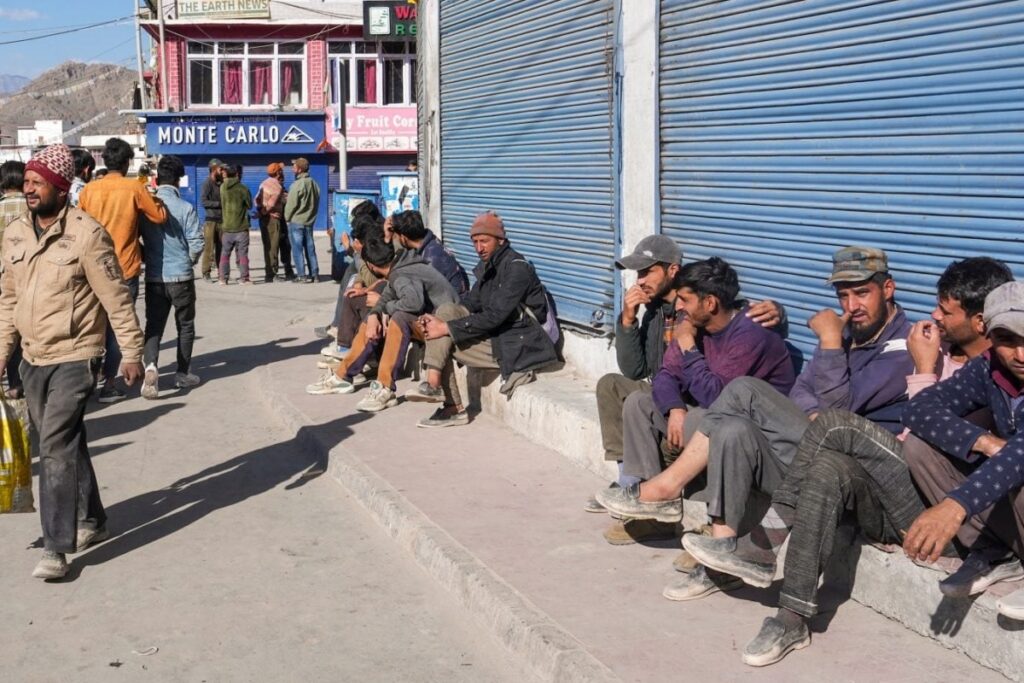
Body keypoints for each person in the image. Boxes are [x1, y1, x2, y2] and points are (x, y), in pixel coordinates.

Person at [680, 257, 1012, 667]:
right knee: (827, 467)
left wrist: (925, 369)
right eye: (843, 295)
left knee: (835, 424)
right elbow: (807, 393)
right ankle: (793, 615)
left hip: (933, 505)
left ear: (980, 322)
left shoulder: (964, 364)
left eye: (945, 311)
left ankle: (756, 546)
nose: (934, 316)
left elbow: (920, 434)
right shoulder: (945, 352)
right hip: (884, 486)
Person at [599, 246, 914, 599]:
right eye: (843, 296)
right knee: (731, 429)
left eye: (862, 294)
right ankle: (724, 559)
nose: (851, 306)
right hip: (806, 450)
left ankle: (666, 489)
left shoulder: (903, 349)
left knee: (742, 392)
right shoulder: (848, 335)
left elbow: (840, 415)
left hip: (850, 475)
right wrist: (811, 408)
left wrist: (827, 343)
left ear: (888, 290)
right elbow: (802, 390)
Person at [0, 143, 144, 579]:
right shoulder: (15, 234)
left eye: (37, 181)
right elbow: (8, 299)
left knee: (55, 445)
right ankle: (93, 519)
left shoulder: (87, 234)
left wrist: (132, 352)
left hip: (76, 354)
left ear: (61, 188)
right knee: (63, 438)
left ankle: (55, 548)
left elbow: (115, 296)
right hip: (31, 356)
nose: (28, 188)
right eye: (26, 180)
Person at [601, 257, 796, 544]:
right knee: (638, 404)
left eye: (685, 300)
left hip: (755, 434)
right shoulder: (692, 321)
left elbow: (719, 398)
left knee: (700, 419)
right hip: (712, 412)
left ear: (711, 303)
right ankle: (657, 512)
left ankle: (710, 524)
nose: (678, 307)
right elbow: (667, 373)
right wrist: (674, 407)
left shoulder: (751, 333)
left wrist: (689, 347)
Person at [902, 279, 1024, 623]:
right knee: (919, 446)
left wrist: (955, 506)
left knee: (1015, 466)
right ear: (988, 331)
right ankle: (996, 553)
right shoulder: (988, 368)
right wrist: (983, 442)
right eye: (1008, 340)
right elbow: (919, 411)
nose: (1021, 355)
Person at [407, 211, 557, 427]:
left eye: (484, 241)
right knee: (446, 311)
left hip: (522, 343)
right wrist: (435, 320)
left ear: (500, 240)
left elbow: (495, 316)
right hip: (500, 336)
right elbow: (469, 305)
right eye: (475, 242)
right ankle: (435, 385)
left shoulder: (517, 268)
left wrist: (446, 328)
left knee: (443, 334)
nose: (479, 248)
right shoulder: (490, 268)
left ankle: (450, 404)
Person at [306, 233, 459, 412]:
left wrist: (387, 309)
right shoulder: (401, 265)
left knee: (399, 318)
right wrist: (376, 314)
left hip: (444, 327)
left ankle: (384, 388)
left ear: (371, 265)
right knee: (377, 315)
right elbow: (387, 295)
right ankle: (342, 375)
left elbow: (413, 303)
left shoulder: (402, 274)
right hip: (430, 320)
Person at [78, 137, 167, 402]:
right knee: (119, 328)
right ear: (128, 162)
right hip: (124, 269)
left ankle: (86, 384)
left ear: (104, 161)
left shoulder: (88, 191)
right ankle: (109, 385)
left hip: (90, 270)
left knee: (92, 327)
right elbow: (159, 216)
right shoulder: (134, 189)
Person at [139, 155, 204, 399]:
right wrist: (189, 261)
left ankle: (151, 367)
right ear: (179, 180)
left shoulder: (146, 208)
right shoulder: (185, 208)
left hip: (155, 277)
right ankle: (182, 373)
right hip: (181, 278)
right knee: (185, 326)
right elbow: (197, 242)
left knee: (154, 327)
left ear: (157, 179)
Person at [389, 210, 469, 296]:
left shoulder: (430, 258)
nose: (395, 239)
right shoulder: (429, 242)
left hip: (452, 304)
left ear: (403, 238)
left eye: (396, 236)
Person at [0, 161, 25, 397]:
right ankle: (21, 382)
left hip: (2, 280)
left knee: (5, 331)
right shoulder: (33, 207)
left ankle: (12, 383)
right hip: (27, 278)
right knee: (24, 331)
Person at [284, 157, 320, 283]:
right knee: (310, 249)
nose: (292, 168)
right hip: (309, 221)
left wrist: (287, 218)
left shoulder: (297, 184)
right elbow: (315, 201)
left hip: (297, 221)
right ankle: (314, 274)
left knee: (297, 249)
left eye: (294, 166)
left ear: (299, 169)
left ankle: (301, 275)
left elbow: (291, 204)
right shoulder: (314, 183)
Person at [256, 162, 292, 282]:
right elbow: (271, 205)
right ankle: (272, 274)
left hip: (265, 219)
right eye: (281, 171)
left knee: (268, 246)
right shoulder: (277, 187)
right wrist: (264, 212)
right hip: (272, 219)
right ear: (278, 173)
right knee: (273, 246)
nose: (283, 172)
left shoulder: (264, 183)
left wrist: (260, 211)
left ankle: (270, 272)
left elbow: (257, 199)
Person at [218, 164, 252, 285]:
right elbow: (249, 205)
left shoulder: (222, 187)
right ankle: (244, 278)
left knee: (225, 254)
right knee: (243, 254)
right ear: (237, 174)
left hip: (227, 226)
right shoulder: (243, 188)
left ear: (226, 174)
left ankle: (223, 278)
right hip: (241, 227)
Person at [199, 159, 224, 282]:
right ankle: (206, 272)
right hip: (210, 222)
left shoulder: (221, 183)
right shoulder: (207, 183)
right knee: (209, 248)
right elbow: (204, 201)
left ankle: (221, 272)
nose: (222, 171)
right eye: (220, 169)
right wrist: (219, 204)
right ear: (214, 169)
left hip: (221, 221)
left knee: (221, 248)